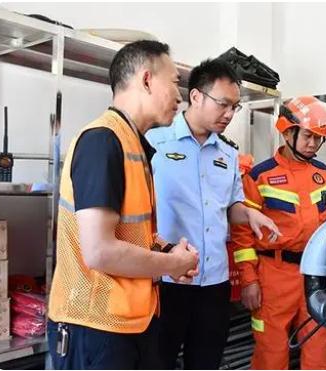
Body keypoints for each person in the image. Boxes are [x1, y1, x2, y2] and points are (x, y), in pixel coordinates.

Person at [47, 40, 200, 369]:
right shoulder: (103, 141)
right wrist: (171, 266)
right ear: (146, 80)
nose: (180, 96)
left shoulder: (133, 144)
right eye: (174, 83)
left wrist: (169, 251)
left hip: (130, 323)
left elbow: (131, 233)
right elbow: (99, 251)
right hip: (95, 327)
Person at [146, 58, 280, 369]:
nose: (230, 114)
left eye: (235, 107)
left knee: (206, 362)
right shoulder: (154, 142)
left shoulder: (228, 153)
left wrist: (250, 215)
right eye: (223, 104)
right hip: (167, 278)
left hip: (214, 282)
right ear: (195, 96)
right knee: (157, 360)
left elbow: (231, 207)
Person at [230, 96, 326, 369]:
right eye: (308, 136)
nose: (313, 144)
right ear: (287, 131)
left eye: (319, 138)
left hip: (316, 275)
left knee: (319, 347)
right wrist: (249, 280)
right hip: (274, 275)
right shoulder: (259, 176)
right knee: (271, 351)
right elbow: (242, 233)